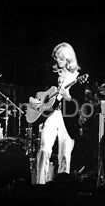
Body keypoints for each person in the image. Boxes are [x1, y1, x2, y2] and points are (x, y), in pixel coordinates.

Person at [33, 42, 84, 184]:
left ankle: (63, 186)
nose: (58, 61)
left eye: (60, 58)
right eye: (56, 58)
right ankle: (39, 183)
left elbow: (81, 104)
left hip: (68, 118)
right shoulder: (51, 75)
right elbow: (39, 93)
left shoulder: (78, 77)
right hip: (51, 115)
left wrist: (67, 97)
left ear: (68, 58)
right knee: (44, 149)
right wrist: (38, 101)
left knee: (65, 155)